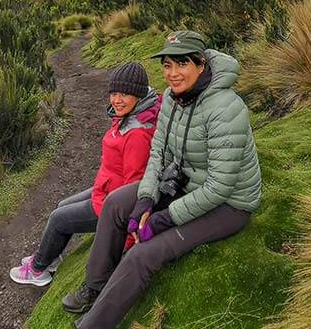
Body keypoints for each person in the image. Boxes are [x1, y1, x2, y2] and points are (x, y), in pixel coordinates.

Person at [62, 30, 262, 328]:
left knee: (143, 254)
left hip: (229, 205)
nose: (172, 73)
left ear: (201, 65)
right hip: (186, 185)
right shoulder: (171, 97)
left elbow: (219, 187)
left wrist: (163, 218)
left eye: (181, 64)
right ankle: (95, 285)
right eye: (167, 65)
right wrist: (145, 198)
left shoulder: (225, 109)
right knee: (117, 203)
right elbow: (158, 153)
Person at [10, 61, 162, 286]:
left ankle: (38, 270)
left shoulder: (137, 133)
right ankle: (50, 257)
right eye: (114, 93)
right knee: (62, 206)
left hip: (112, 204)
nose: (117, 100)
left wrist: (128, 238)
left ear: (139, 95)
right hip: (106, 188)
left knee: (58, 219)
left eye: (125, 94)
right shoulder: (131, 115)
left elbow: (135, 186)